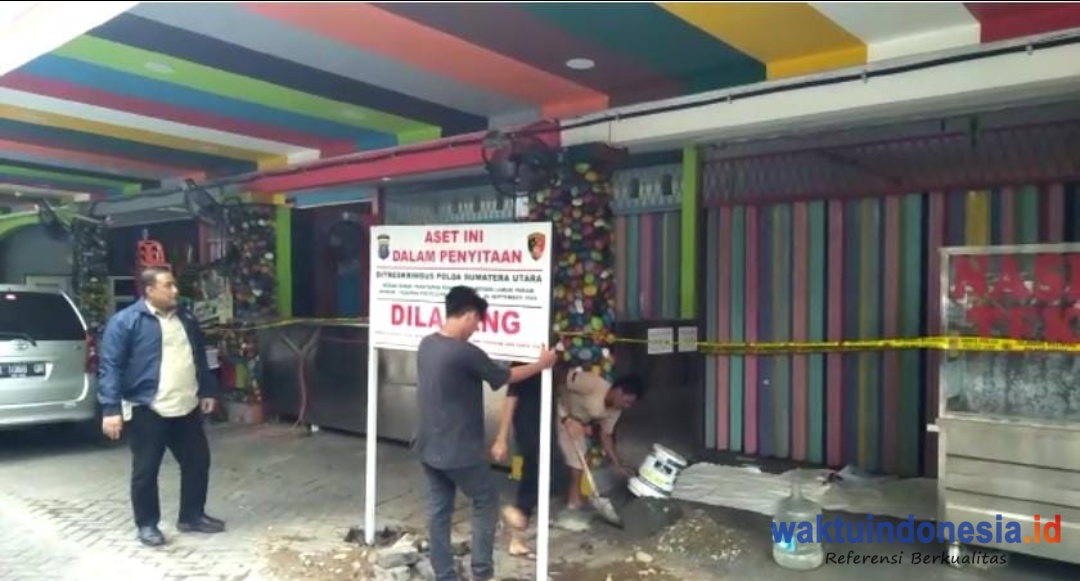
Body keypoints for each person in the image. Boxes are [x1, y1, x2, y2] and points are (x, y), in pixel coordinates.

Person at [416, 286, 557, 581]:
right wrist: (542, 364)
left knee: (439, 512)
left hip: (429, 446)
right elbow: (506, 376)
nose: (476, 329)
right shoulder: (464, 352)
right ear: (469, 315)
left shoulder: (427, 344)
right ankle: (481, 572)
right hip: (459, 450)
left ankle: (444, 575)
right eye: (477, 322)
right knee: (486, 500)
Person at [97, 266, 224, 547]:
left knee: (197, 462)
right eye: (168, 285)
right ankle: (147, 524)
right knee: (146, 470)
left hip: (186, 405)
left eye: (174, 284)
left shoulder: (186, 319)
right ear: (149, 290)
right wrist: (110, 409)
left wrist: (207, 390)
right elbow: (110, 367)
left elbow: (199, 357)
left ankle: (192, 516)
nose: (175, 291)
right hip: (148, 407)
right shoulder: (126, 322)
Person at [491, 362, 566, 559]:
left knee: (545, 475)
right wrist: (501, 438)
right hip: (529, 426)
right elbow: (510, 399)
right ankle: (515, 514)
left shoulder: (550, 363)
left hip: (546, 425)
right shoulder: (525, 363)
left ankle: (518, 525)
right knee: (537, 473)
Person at [556, 368, 646, 512]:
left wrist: (618, 465)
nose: (627, 406)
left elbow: (606, 435)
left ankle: (573, 498)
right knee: (577, 459)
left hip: (576, 424)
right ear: (618, 391)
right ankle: (573, 499)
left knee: (581, 456)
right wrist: (565, 417)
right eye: (626, 401)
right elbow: (560, 377)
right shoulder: (594, 384)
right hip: (558, 411)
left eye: (630, 404)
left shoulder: (615, 411)